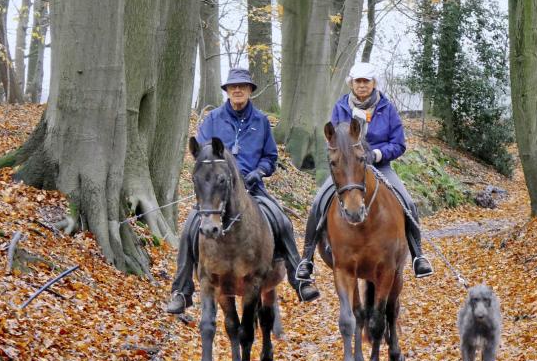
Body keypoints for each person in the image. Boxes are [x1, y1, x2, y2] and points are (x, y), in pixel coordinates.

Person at [165, 69, 320, 314]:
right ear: (227, 91)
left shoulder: (261, 121)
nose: (237, 90)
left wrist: (260, 171)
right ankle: (181, 291)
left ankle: (299, 279)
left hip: (252, 189)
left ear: (249, 91)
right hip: (217, 192)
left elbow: (270, 156)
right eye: (232, 87)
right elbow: (202, 156)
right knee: (189, 228)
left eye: (242, 86)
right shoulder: (213, 119)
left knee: (281, 220)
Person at [295, 61, 434, 281]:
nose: (362, 85)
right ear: (351, 83)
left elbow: (398, 143)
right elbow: (333, 140)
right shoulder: (341, 107)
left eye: (366, 81)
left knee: (407, 201)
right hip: (348, 170)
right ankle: (307, 259)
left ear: (374, 83)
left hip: (380, 166)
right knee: (318, 202)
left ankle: (419, 255)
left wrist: (377, 154)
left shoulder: (387, 108)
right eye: (358, 81)